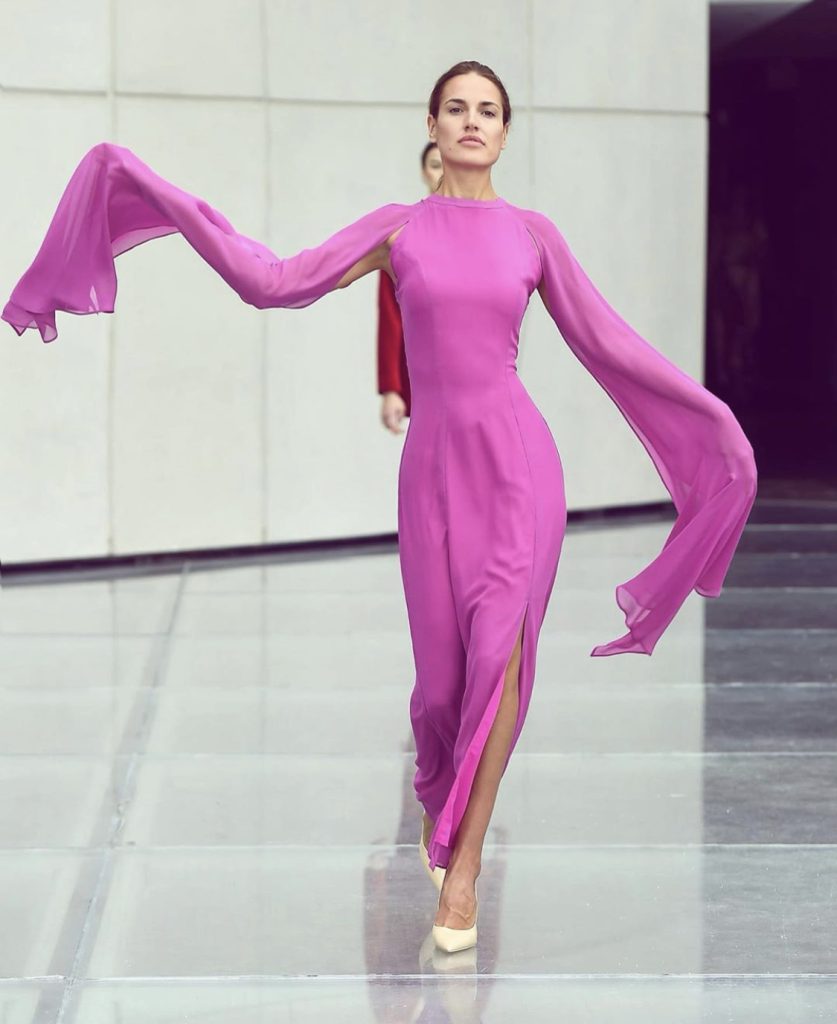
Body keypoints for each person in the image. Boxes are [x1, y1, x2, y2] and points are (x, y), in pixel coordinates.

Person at [1, 60, 757, 955]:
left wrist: (713, 428)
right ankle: (441, 802)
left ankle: (465, 871)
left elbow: (608, 343)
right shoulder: (399, 229)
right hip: (431, 478)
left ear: (504, 133)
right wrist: (149, 190)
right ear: (431, 127)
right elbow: (274, 280)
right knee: (438, 693)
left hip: (518, 470)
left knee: (500, 661)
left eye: (488, 111)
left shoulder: (533, 235)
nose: (471, 121)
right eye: (456, 109)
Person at [377, 142, 441, 433]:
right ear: (423, 172)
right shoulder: (404, 235)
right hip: (421, 373)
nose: (442, 172)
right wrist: (391, 388)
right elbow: (390, 316)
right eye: (435, 165)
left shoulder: (486, 231)